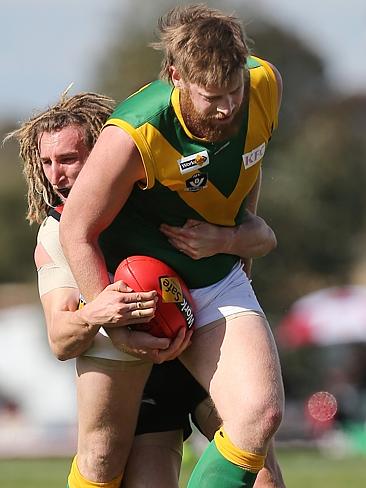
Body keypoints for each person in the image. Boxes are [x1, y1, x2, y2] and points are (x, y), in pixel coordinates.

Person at [7, 89, 284, 487]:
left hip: (200, 338)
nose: (55, 175)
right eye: (47, 162)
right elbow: (60, 340)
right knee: (103, 459)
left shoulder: (164, 190)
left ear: (106, 154)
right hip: (138, 369)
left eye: (68, 159)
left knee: (261, 469)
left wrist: (225, 240)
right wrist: (94, 314)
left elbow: (264, 237)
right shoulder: (57, 236)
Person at [60, 4, 285, 488]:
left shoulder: (266, 84)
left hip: (213, 280)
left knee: (260, 418)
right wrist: (111, 317)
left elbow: (251, 162)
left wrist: (235, 236)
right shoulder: (134, 131)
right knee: (103, 455)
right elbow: (76, 229)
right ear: (175, 76)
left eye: (234, 90)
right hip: (139, 293)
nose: (226, 107)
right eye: (211, 97)